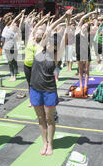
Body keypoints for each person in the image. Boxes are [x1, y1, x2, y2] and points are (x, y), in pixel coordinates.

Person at [30, 10, 72, 156]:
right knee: (41, 119)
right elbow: (48, 30)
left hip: (49, 90)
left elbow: (65, 34)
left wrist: (67, 21)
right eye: (48, 41)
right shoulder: (38, 50)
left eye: (53, 43)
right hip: (35, 89)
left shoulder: (56, 56)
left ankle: (50, 145)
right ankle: (44, 143)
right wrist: (61, 17)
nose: (49, 44)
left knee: (50, 119)